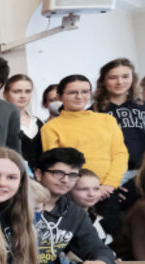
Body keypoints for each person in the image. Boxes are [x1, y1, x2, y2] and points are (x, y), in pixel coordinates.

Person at [40, 74, 128, 229]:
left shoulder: (107, 120)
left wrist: (108, 185)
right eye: (73, 92)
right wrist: (83, 189)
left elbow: (120, 154)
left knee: (113, 236)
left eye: (85, 91)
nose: (80, 96)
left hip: (107, 190)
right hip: (74, 192)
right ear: (60, 96)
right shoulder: (51, 127)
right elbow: (57, 164)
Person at [33, 148, 116, 264]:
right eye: (58, 173)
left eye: (72, 175)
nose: (65, 180)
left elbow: (99, 249)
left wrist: (102, 262)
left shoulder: (74, 213)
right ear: (39, 174)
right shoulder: (19, 205)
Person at [94, 57, 145, 175]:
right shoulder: (94, 112)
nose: (120, 82)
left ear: (133, 78)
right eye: (113, 77)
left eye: (125, 76)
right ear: (103, 81)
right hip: (111, 174)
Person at [6, 74, 44, 170]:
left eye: (28, 91)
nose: (23, 96)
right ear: (5, 94)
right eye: (17, 91)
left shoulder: (39, 122)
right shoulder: (1, 122)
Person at [70, 169, 114, 247]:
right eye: (84, 189)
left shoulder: (98, 219)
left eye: (96, 189)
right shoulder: (64, 221)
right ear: (68, 190)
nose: (91, 194)